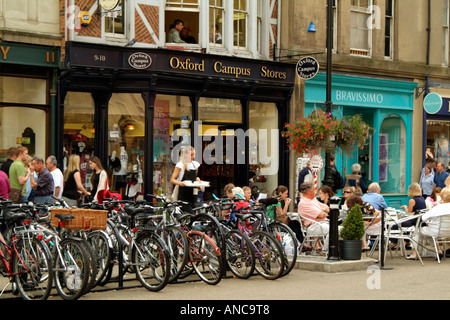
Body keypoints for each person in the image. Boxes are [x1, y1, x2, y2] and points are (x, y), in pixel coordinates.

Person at [407, 187, 450, 260]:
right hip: (448, 232)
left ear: (441, 196)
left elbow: (424, 218)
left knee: (417, 229)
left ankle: (415, 253)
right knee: (430, 231)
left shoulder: (438, 208)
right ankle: (438, 251)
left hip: (435, 231)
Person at [298, 182, 330, 254]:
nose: (315, 191)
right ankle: (326, 251)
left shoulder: (313, 200)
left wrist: (323, 210)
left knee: (341, 230)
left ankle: (334, 251)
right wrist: (322, 210)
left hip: (323, 223)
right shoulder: (304, 202)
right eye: (314, 189)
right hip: (314, 226)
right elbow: (322, 215)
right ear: (309, 190)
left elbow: (327, 208)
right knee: (332, 230)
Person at [170, 146, 201, 213]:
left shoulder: (195, 165)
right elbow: (172, 179)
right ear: (185, 155)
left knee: (196, 214)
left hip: (193, 195)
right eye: (191, 155)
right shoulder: (180, 165)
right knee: (190, 214)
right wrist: (180, 183)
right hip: (183, 194)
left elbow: (194, 177)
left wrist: (198, 180)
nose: (193, 156)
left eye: (194, 154)